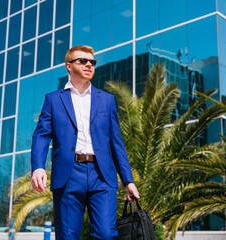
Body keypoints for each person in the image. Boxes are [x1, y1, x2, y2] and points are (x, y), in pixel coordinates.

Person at [31, 45, 139, 240]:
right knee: (67, 236)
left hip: (102, 175)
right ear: (69, 66)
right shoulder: (53, 100)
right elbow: (40, 135)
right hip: (68, 175)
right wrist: (38, 168)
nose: (89, 65)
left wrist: (128, 180)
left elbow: (116, 143)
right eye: (83, 61)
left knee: (106, 234)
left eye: (92, 62)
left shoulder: (106, 100)